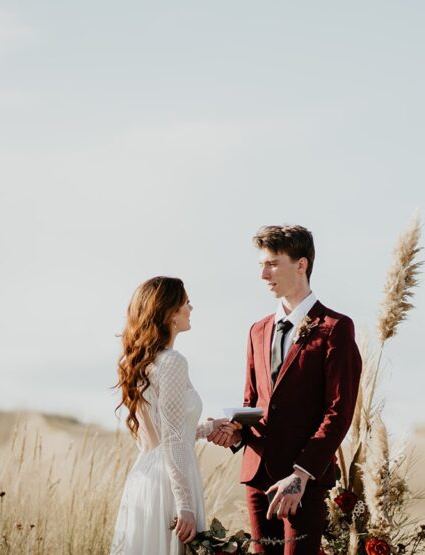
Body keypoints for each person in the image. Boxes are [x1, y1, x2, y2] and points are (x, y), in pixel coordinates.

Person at [210, 225, 363, 555]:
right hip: (257, 475)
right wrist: (236, 433)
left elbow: (339, 411)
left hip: (302, 481)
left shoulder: (336, 328)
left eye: (273, 264)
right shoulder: (257, 330)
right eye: (261, 265)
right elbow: (253, 403)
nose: (264, 274)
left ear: (301, 264)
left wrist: (301, 474)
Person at [110, 276, 227, 554]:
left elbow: (164, 434)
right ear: (170, 313)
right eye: (186, 302)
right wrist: (184, 504)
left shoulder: (143, 363)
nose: (191, 308)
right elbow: (173, 439)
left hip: (147, 476)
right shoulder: (173, 362)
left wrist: (207, 429)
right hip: (170, 485)